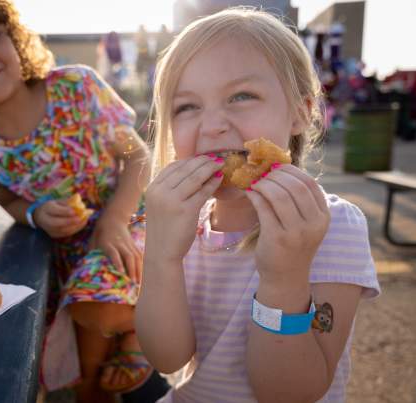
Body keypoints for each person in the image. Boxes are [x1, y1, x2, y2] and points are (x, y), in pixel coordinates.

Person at [0, 1, 153, 402]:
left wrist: (114, 219)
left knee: (94, 306)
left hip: (129, 228)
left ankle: (127, 341)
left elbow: (139, 157)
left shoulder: (77, 88)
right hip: (56, 254)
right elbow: (3, 197)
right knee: (27, 335)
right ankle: (105, 358)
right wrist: (34, 214)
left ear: (14, 37)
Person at [136, 7, 380, 403]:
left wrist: (285, 278)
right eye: (187, 106)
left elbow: (288, 392)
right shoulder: (182, 226)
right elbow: (167, 357)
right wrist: (161, 256)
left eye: (242, 96)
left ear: (301, 113)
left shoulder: (333, 227)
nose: (212, 124)